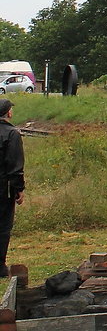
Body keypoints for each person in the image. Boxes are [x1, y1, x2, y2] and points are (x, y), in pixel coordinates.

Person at [0, 98, 25, 278]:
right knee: (3, 227)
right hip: (3, 187)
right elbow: (15, 167)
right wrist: (19, 189)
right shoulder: (12, 134)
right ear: (8, 112)